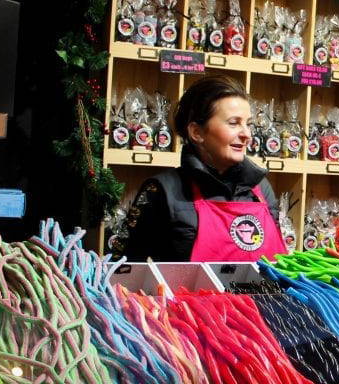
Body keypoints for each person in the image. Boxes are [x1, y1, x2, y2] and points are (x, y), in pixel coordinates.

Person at [122, 75, 287, 262]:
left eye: (248, 124)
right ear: (197, 133)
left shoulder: (261, 188)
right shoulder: (162, 190)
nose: (246, 134)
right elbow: (127, 272)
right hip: (189, 292)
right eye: (234, 123)